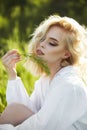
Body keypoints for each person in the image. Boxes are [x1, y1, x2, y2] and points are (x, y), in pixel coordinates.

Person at [0, 15, 87, 130]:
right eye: (42, 39)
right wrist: (12, 73)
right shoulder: (45, 80)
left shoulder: (69, 85)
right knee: (14, 109)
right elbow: (23, 111)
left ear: (66, 54)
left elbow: (42, 126)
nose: (41, 44)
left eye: (52, 43)